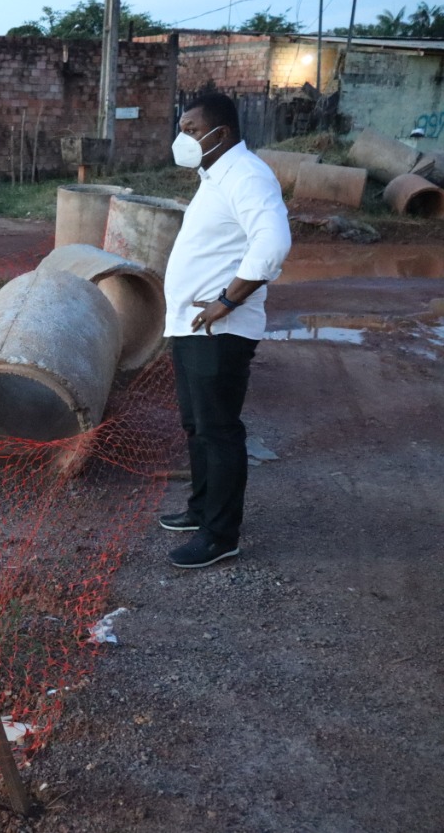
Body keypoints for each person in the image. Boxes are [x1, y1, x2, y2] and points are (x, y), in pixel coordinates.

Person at [159, 92, 292, 569]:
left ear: (223, 133)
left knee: (218, 430)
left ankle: (220, 536)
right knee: (197, 425)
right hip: (192, 327)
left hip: (221, 330)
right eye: (182, 130)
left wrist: (227, 301)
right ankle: (201, 510)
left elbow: (272, 244)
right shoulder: (215, 175)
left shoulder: (247, 175)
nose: (183, 139)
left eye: (192, 130)